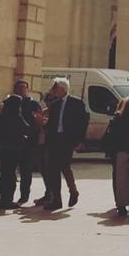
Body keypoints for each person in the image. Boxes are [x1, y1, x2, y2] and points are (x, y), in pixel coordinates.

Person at [41, 77, 88, 210]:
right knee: (53, 170)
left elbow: (82, 123)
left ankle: (73, 191)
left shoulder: (76, 103)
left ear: (62, 89)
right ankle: (57, 200)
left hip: (68, 140)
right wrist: (43, 123)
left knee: (65, 167)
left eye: (54, 88)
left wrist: (79, 141)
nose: (52, 91)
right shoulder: (54, 105)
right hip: (54, 140)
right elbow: (51, 124)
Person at [0, 86, 32, 209]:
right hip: (14, 149)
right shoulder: (16, 116)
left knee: (5, 174)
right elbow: (27, 128)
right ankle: (7, 200)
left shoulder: (3, 116)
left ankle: (4, 199)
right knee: (10, 176)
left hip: (3, 149)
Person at [11, 79, 41, 205]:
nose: (21, 90)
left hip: (29, 142)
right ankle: (9, 196)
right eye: (19, 88)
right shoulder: (10, 103)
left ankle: (24, 195)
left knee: (26, 170)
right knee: (11, 170)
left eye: (24, 88)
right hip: (13, 142)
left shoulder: (33, 104)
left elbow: (39, 122)